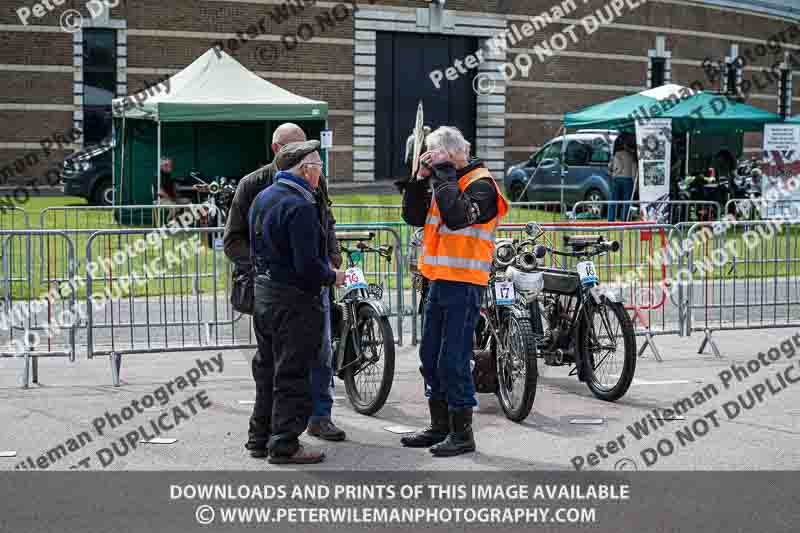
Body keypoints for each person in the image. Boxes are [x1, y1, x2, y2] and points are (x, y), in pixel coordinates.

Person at [224, 125, 346, 460]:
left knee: (268, 370)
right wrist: (333, 275)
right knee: (292, 373)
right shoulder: (299, 205)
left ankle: (259, 437)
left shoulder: (265, 197)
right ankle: (284, 444)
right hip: (293, 299)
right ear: (306, 170)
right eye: (318, 167)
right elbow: (307, 265)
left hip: (266, 295)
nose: (320, 173)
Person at [398, 126, 509, 457]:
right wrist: (420, 180)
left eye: (435, 154)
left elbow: (459, 217)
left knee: (454, 360)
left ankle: (462, 434)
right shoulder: (445, 181)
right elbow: (413, 215)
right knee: (429, 357)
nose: (432, 161)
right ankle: (439, 426)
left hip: (465, 283)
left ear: (452, 152)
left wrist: (444, 172)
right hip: (437, 280)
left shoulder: (481, 184)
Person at [608, 133, 638, 222]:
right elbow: (634, 169)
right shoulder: (631, 156)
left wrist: (612, 174)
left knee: (613, 200)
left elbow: (609, 166)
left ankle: (610, 219)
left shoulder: (615, 154)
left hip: (616, 178)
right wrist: (635, 184)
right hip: (628, 178)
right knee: (626, 201)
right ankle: (624, 219)